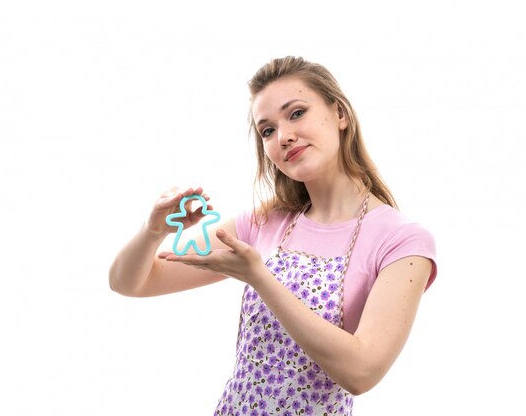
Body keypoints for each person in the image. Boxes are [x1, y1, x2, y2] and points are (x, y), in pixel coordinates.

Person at [109, 56, 437, 415]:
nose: (284, 136)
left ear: (340, 114)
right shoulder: (266, 222)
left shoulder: (402, 241)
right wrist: (152, 232)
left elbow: (361, 372)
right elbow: (131, 283)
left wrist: (259, 278)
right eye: (267, 130)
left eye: (296, 113)